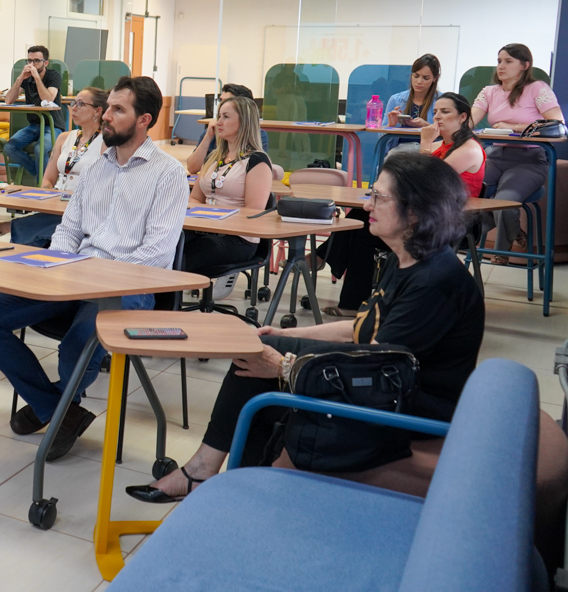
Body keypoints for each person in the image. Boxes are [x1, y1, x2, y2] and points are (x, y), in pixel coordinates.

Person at [127, 153, 484, 504]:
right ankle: (220, 478)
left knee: (267, 373)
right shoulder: (405, 258)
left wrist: (286, 366)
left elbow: (380, 368)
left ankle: (219, 479)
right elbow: (361, 329)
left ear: (416, 211)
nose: (367, 204)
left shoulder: (435, 282)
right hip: (383, 379)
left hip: (409, 403)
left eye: (379, 197)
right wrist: (282, 337)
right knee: (257, 353)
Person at [0, 76, 189, 461]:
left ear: (144, 120)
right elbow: (68, 229)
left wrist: (94, 278)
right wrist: (58, 268)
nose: (106, 116)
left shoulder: (168, 174)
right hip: (74, 276)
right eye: (108, 107)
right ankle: (58, 410)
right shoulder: (97, 167)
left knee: (77, 344)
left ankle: (55, 408)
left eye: (118, 109)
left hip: (127, 286)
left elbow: (156, 253)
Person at [316, 92, 486, 317]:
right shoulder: (441, 145)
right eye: (436, 112)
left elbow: (426, 181)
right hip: (420, 214)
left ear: (463, 117)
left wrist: (425, 143)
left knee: (362, 227)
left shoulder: (469, 149)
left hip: (445, 223)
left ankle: (323, 261)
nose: (437, 117)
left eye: (445, 112)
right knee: (362, 218)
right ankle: (343, 292)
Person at [471, 43, 563, 261]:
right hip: (495, 155)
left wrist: (513, 127)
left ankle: (502, 251)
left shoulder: (537, 88)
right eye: (499, 61)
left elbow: (557, 123)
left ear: (525, 65)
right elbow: (469, 122)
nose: (501, 66)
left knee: (504, 202)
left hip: (529, 160)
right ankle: (510, 229)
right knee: (464, 194)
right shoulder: (489, 92)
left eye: (508, 61)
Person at [8, 86, 107, 248]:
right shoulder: (64, 138)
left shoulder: (106, 143)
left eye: (81, 104)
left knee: (49, 229)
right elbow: (48, 178)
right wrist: (45, 199)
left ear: (98, 111)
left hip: (83, 208)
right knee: (44, 230)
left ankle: (5, 228)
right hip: (57, 203)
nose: (73, 108)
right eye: (73, 103)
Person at [184, 96, 271, 276]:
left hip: (238, 239)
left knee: (186, 255)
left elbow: (252, 213)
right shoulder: (214, 157)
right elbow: (195, 198)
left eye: (226, 117)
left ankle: (170, 294)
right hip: (206, 230)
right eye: (219, 116)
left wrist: (213, 216)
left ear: (244, 122)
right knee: (169, 242)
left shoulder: (257, 161)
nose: (218, 122)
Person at [3, 45, 65, 180]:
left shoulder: (53, 75)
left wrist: (37, 78)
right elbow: (8, 100)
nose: (32, 64)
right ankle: (40, 175)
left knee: (40, 149)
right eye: (29, 60)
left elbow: (48, 99)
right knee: (9, 148)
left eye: (36, 61)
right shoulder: (27, 78)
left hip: (53, 125)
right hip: (34, 125)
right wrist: (20, 78)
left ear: (45, 63)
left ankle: (44, 184)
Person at [185, 83, 269, 175]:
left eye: (226, 116)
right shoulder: (213, 131)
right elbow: (192, 168)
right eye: (220, 101)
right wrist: (207, 137)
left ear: (243, 112)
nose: (221, 105)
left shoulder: (258, 136)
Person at [385, 54, 442, 129]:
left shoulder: (442, 101)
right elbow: (381, 134)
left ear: (435, 78)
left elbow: (448, 133)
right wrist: (391, 125)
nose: (419, 81)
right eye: (416, 76)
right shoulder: (395, 100)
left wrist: (427, 126)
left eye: (426, 78)